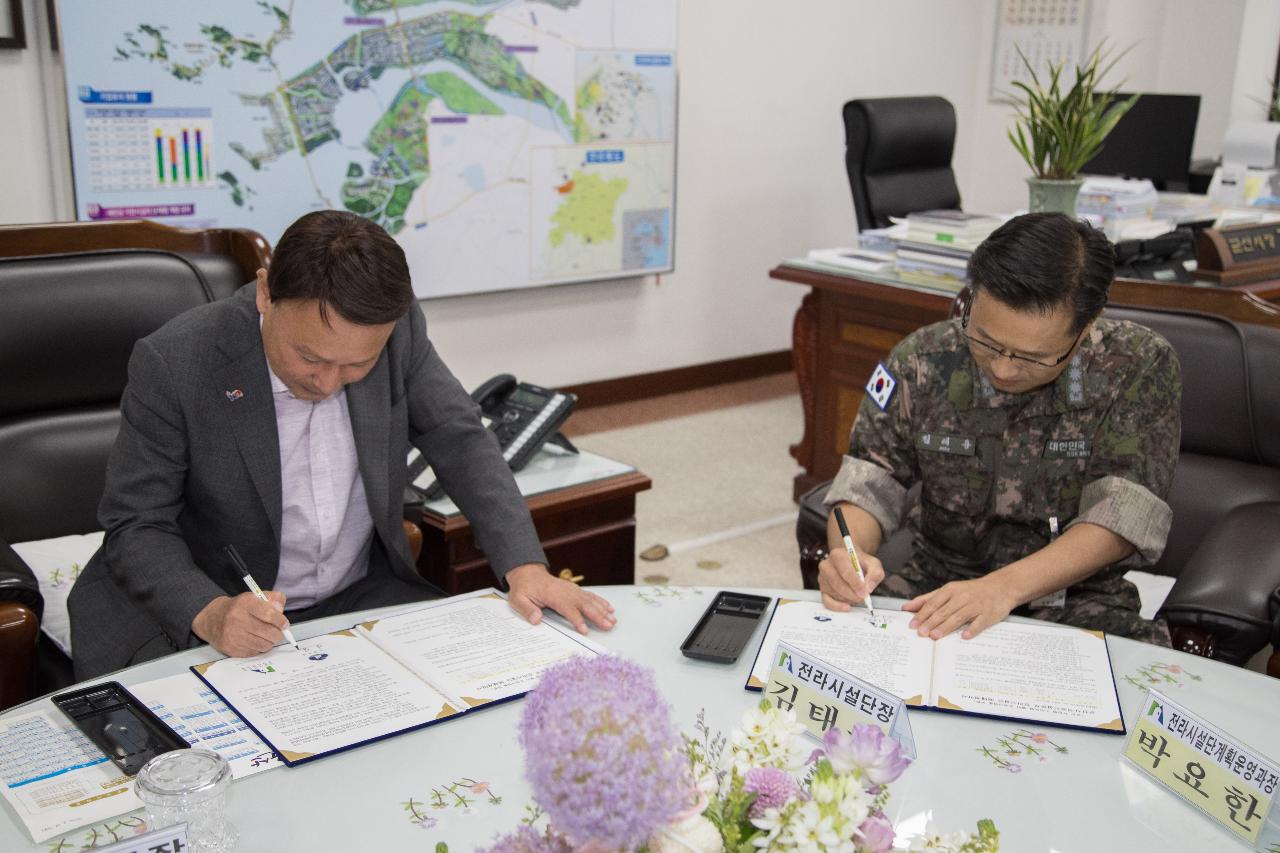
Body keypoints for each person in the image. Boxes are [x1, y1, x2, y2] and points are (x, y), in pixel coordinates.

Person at [69, 210, 613, 678]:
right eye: (309, 357)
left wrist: (526, 568)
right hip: (218, 604)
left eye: (357, 364)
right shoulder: (177, 361)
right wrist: (210, 611)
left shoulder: (398, 331)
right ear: (265, 294)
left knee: (483, 693)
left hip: (358, 590)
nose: (328, 382)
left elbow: (459, 438)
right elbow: (137, 523)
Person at [818, 212, 1180, 645]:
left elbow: (1123, 516)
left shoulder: (1136, 366)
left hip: (1078, 600)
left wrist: (1000, 589)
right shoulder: (921, 359)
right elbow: (869, 483)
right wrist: (848, 556)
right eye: (986, 340)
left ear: (1086, 327)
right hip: (937, 588)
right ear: (972, 297)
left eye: (1033, 356)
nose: (1004, 369)